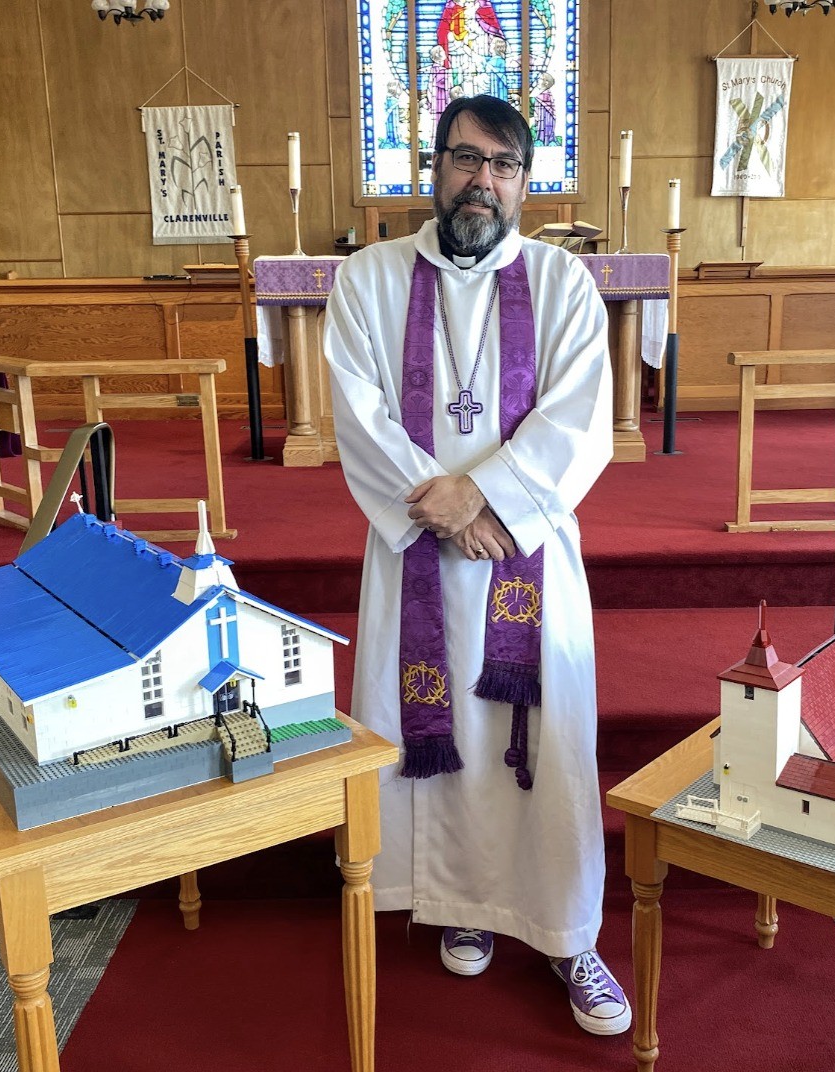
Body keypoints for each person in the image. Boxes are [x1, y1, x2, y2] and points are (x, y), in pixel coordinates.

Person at [323, 94, 627, 1036]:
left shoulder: (564, 284)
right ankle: (465, 905)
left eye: (501, 165)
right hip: (418, 553)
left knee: (547, 739)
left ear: (524, 184)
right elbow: (356, 414)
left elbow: (580, 419)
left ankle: (570, 932)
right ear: (434, 168)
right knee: (442, 730)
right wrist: (447, 506)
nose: (480, 181)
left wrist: (487, 495)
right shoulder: (368, 280)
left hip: (526, 555)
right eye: (464, 159)